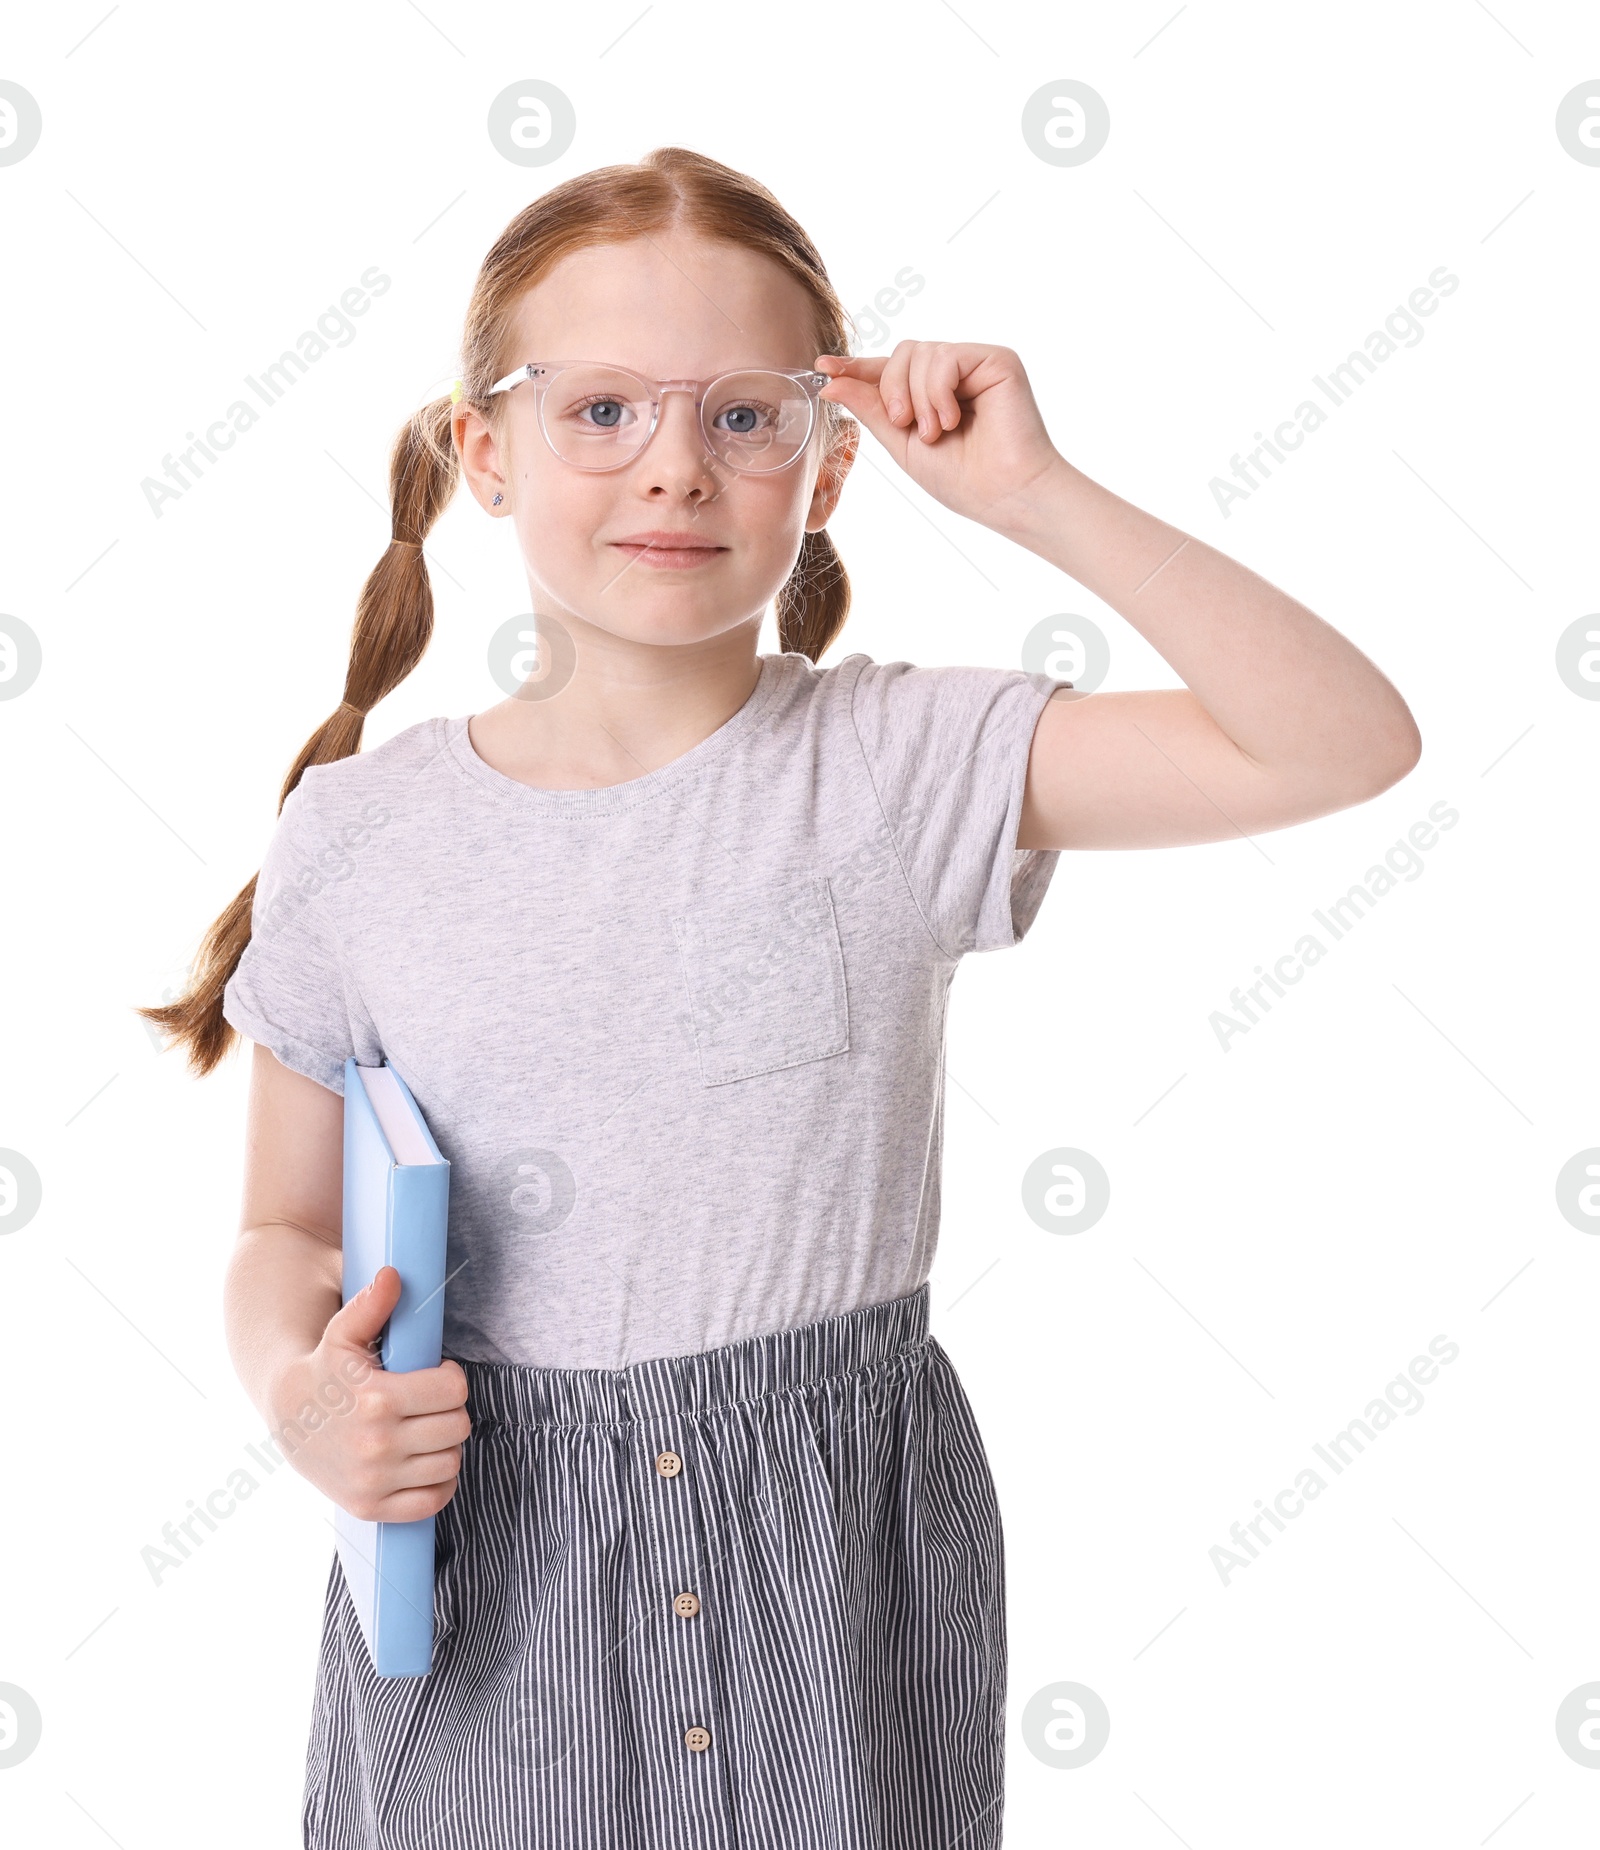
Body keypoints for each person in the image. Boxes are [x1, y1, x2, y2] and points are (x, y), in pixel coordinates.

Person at [140, 145, 1420, 1849]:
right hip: (487, 1573)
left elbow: (1339, 740)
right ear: (486, 451)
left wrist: (1038, 496)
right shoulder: (360, 834)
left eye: (745, 415)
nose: (674, 466)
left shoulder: (901, 764)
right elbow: (283, 1231)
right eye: (599, 408)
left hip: (832, 1565)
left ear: (827, 469)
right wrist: (302, 1400)